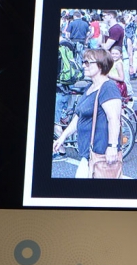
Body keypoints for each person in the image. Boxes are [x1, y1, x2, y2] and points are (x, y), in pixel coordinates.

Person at [52, 49, 123, 178]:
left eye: (87, 62)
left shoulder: (108, 88)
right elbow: (78, 117)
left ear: (100, 65)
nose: (84, 65)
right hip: (89, 154)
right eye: (84, 62)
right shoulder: (89, 87)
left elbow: (114, 118)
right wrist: (62, 138)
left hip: (101, 154)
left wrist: (112, 146)